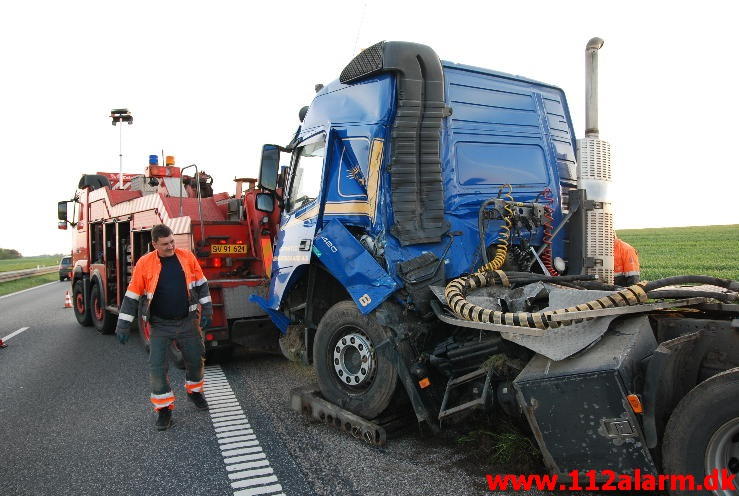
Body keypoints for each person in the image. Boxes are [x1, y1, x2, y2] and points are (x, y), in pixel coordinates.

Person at [115, 224, 213, 430]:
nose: (171, 247)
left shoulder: (187, 257)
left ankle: (194, 392)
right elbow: (132, 295)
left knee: (196, 360)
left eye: (172, 242)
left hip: (188, 322)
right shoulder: (145, 263)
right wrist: (123, 325)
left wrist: (208, 310)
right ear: (155, 244)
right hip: (160, 325)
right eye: (165, 244)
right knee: (157, 368)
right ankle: (164, 410)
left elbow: (201, 284)